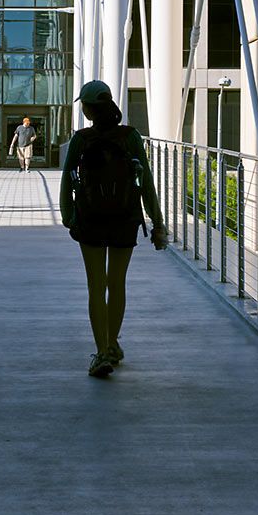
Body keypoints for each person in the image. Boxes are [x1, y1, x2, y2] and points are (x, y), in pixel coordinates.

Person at [60, 80, 167, 376]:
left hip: (90, 218)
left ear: (89, 108)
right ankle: (111, 344)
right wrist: (157, 223)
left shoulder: (81, 139)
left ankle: (102, 352)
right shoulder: (130, 137)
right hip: (125, 217)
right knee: (116, 283)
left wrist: (69, 216)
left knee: (96, 286)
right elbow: (145, 183)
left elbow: (67, 179)